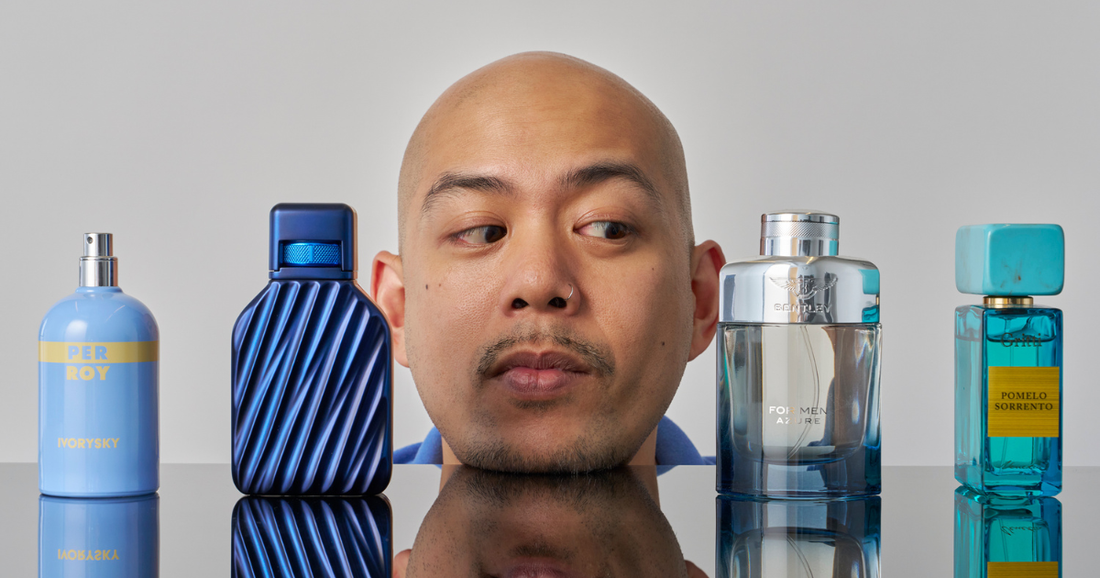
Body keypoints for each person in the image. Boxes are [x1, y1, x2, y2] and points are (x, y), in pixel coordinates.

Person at [371, 51, 724, 472]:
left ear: (700, 299)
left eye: (608, 227)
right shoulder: (287, 534)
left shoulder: (796, 529)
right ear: (396, 310)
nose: (538, 282)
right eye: (483, 231)